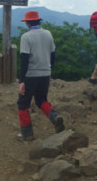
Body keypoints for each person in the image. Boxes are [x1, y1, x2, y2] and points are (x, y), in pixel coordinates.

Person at [17, 10, 65, 141]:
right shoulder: (48, 34)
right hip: (45, 73)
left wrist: (22, 81)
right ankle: (55, 117)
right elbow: (53, 54)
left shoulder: (26, 37)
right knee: (41, 100)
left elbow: (24, 59)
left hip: (31, 75)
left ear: (27, 23)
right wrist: (49, 69)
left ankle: (27, 134)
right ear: (38, 21)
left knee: (23, 103)